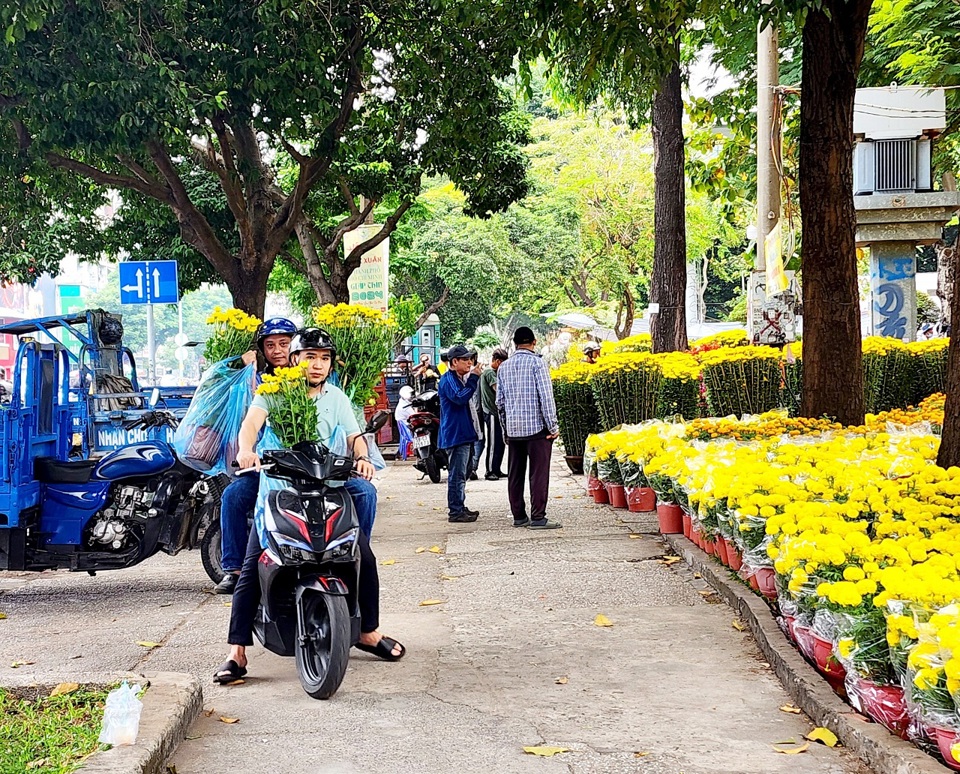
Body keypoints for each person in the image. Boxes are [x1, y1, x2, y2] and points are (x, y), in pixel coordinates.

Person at [213, 327, 404, 684]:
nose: (317, 365)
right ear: (295, 360)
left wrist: (361, 458)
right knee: (253, 564)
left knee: (364, 555)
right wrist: (246, 449)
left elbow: (354, 438)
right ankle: (237, 652)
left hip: (327, 489)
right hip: (280, 491)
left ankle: (368, 631)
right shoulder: (275, 392)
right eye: (310, 357)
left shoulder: (337, 397)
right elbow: (250, 425)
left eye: (324, 358)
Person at [215, 317, 297, 594]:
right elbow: (218, 385)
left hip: (306, 468)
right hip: (266, 466)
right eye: (270, 345)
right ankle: (234, 569)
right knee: (233, 496)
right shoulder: (255, 382)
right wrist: (238, 364)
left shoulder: (309, 378)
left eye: (284, 344)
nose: (277, 350)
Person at [496, 327, 561, 530]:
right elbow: (546, 398)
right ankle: (538, 517)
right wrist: (553, 426)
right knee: (538, 474)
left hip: (514, 431)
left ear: (515, 344)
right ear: (534, 342)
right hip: (537, 430)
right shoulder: (537, 363)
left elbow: (500, 403)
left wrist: (505, 429)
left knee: (515, 474)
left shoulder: (503, 367)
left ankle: (518, 516)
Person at [438, 343, 482, 523]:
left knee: (465, 471)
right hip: (456, 434)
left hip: (465, 433)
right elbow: (459, 398)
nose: (469, 363)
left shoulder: (459, 378)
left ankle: (460, 505)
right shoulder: (448, 380)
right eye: (465, 360)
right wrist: (473, 380)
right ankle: (455, 511)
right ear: (454, 362)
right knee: (457, 474)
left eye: (470, 359)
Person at [480, 348, 508, 480]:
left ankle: (497, 469)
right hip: (491, 412)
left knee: (500, 442)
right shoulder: (490, 373)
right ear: (497, 361)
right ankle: (490, 470)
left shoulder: (494, 372)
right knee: (492, 443)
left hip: (497, 413)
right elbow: (498, 389)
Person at [467, 349, 484, 482]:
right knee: (479, 440)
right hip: (476, 409)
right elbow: (476, 395)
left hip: (472, 409)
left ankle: (470, 466)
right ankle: (472, 467)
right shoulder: (474, 372)